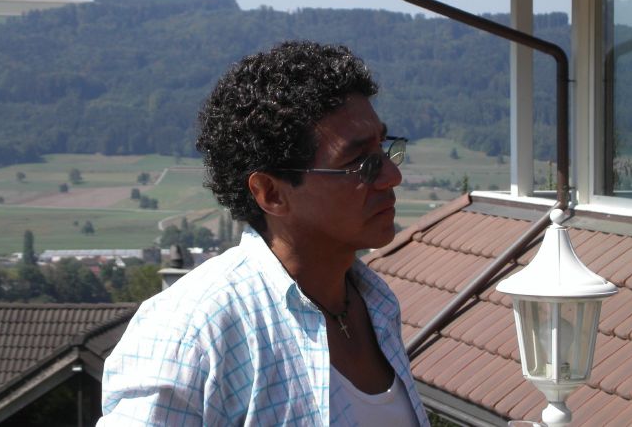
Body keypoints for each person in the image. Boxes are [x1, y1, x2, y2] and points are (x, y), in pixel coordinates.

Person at [99, 41, 429, 426]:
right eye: (360, 163)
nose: (392, 176)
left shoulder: (377, 303)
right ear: (270, 193)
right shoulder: (195, 332)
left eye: (384, 150)